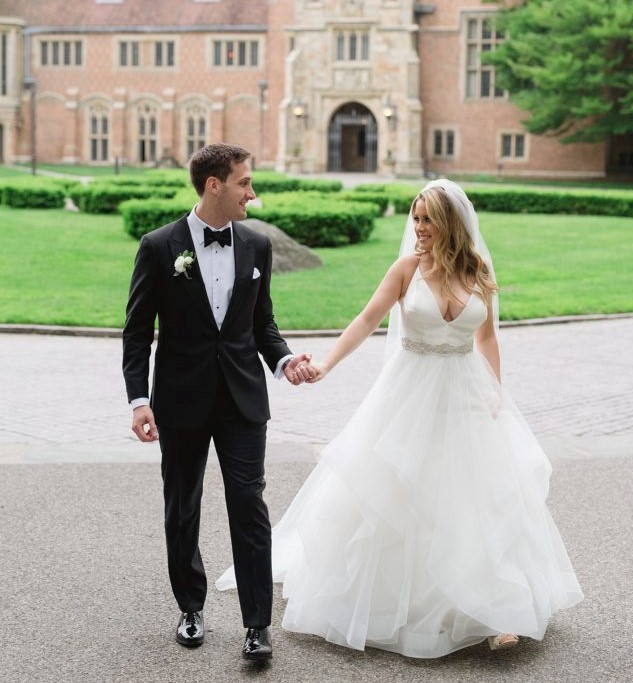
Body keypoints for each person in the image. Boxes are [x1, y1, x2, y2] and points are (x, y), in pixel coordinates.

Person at [216, 179, 584, 658]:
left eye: (428, 219)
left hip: (466, 392)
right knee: (404, 493)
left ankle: (493, 610)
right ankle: (397, 603)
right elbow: (367, 319)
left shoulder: (478, 270)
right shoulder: (407, 268)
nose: (419, 228)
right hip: (409, 395)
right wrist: (326, 363)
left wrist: (496, 390)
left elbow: (488, 336)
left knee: (475, 498)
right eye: (415, 219)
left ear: (451, 223)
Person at [122, 143, 314, 661]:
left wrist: (285, 361)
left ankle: (257, 626)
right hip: (180, 402)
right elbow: (137, 333)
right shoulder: (159, 247)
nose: (253, 192)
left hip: (242, 402)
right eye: (244, 183)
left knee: (248, 504)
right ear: (215, 185)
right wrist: (140, 399)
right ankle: (190, 607)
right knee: (182, 507)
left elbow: (262, 324)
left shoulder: (257, 246)